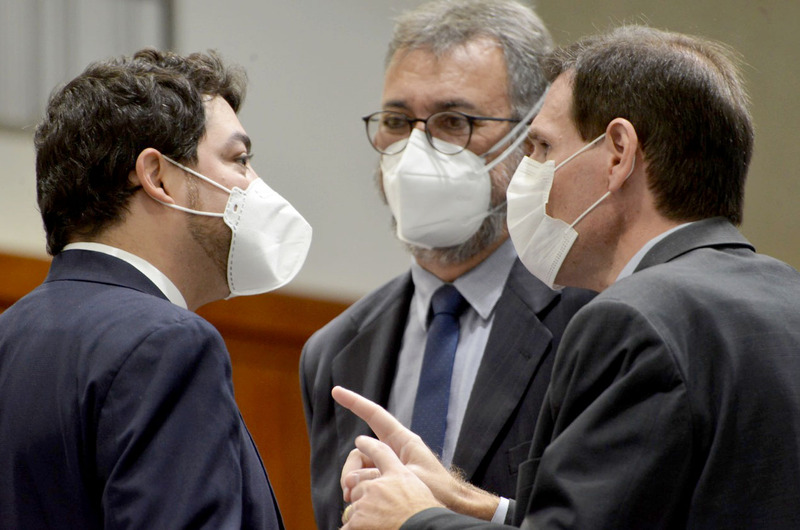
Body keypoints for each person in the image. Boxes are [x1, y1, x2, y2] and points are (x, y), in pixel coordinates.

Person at [331, 24, 800, 529]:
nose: (527, 172)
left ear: (618, 153)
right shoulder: (787, 296)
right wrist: (473, 505)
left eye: (540, 147)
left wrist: (414, 519)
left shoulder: (630, 319)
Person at [300, 1, 595, 527]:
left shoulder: (592, 325)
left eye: (453, 121)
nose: (417, 149)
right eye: (397, 121)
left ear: (531, 137)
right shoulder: (333, 351)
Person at [0, 48, 312, 529]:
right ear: (157, 176)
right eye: (239, 159)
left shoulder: (9, 335)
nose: (255, 183)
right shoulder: (167, 342)